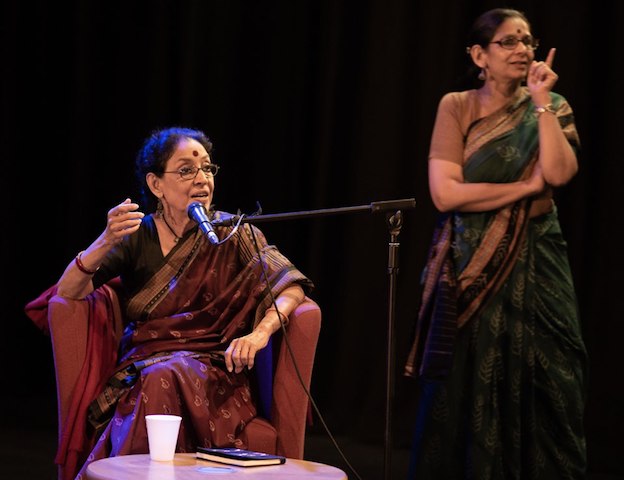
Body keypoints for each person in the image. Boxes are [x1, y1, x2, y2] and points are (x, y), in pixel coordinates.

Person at [27, 126, 314, 480]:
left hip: (216, 373)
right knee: (160, 377)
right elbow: (67, 293)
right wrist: (103, 241)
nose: (202, 179)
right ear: (156, 184)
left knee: (163, 379)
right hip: (146, 366)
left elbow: (291, 285)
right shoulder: (137, 237)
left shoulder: (234, 233)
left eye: (208, 169)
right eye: (186, 170)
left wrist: (260, 333)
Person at [403, 8, 587, 479]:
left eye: (527, 40)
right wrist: (525, 189)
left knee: (550, 374)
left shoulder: (553, 104)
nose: (523, 49)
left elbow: (561, 173)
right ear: (478, 54)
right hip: (469, 263)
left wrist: (542, 101)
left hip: (539, 257)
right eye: (509, 41)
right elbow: (445, 193)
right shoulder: (457, 105)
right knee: (464, 378)